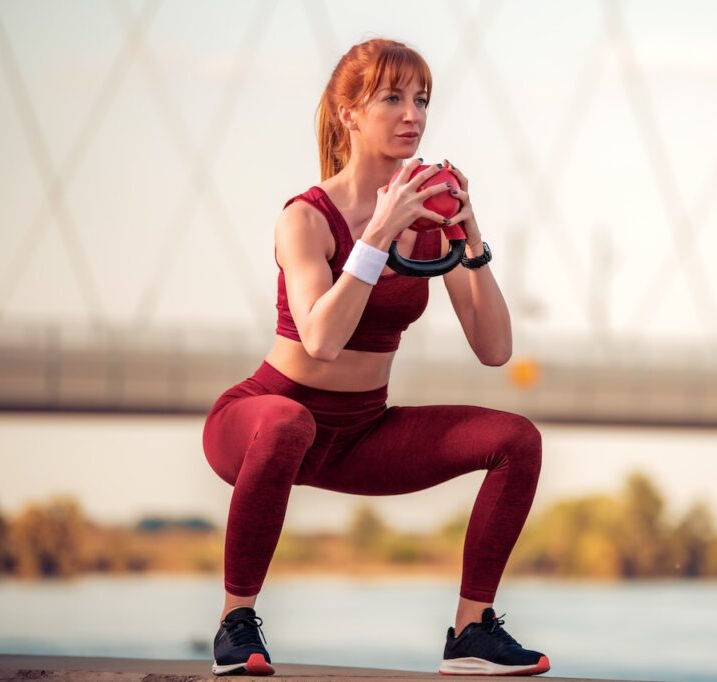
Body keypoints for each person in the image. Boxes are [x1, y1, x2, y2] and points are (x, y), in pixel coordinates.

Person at [201, 37, 549, 677]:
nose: (412, 114)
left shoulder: (427, 221)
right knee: (288, 422)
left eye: (421, 99)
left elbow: (495, 349)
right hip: (261, 420)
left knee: (517, 439)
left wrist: (470, 238)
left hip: (362, 431)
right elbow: (322, 340)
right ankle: (234, 624)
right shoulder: (305, 218)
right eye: (392, 98)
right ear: (348, 114)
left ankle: (471, 633)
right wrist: (377, 235)